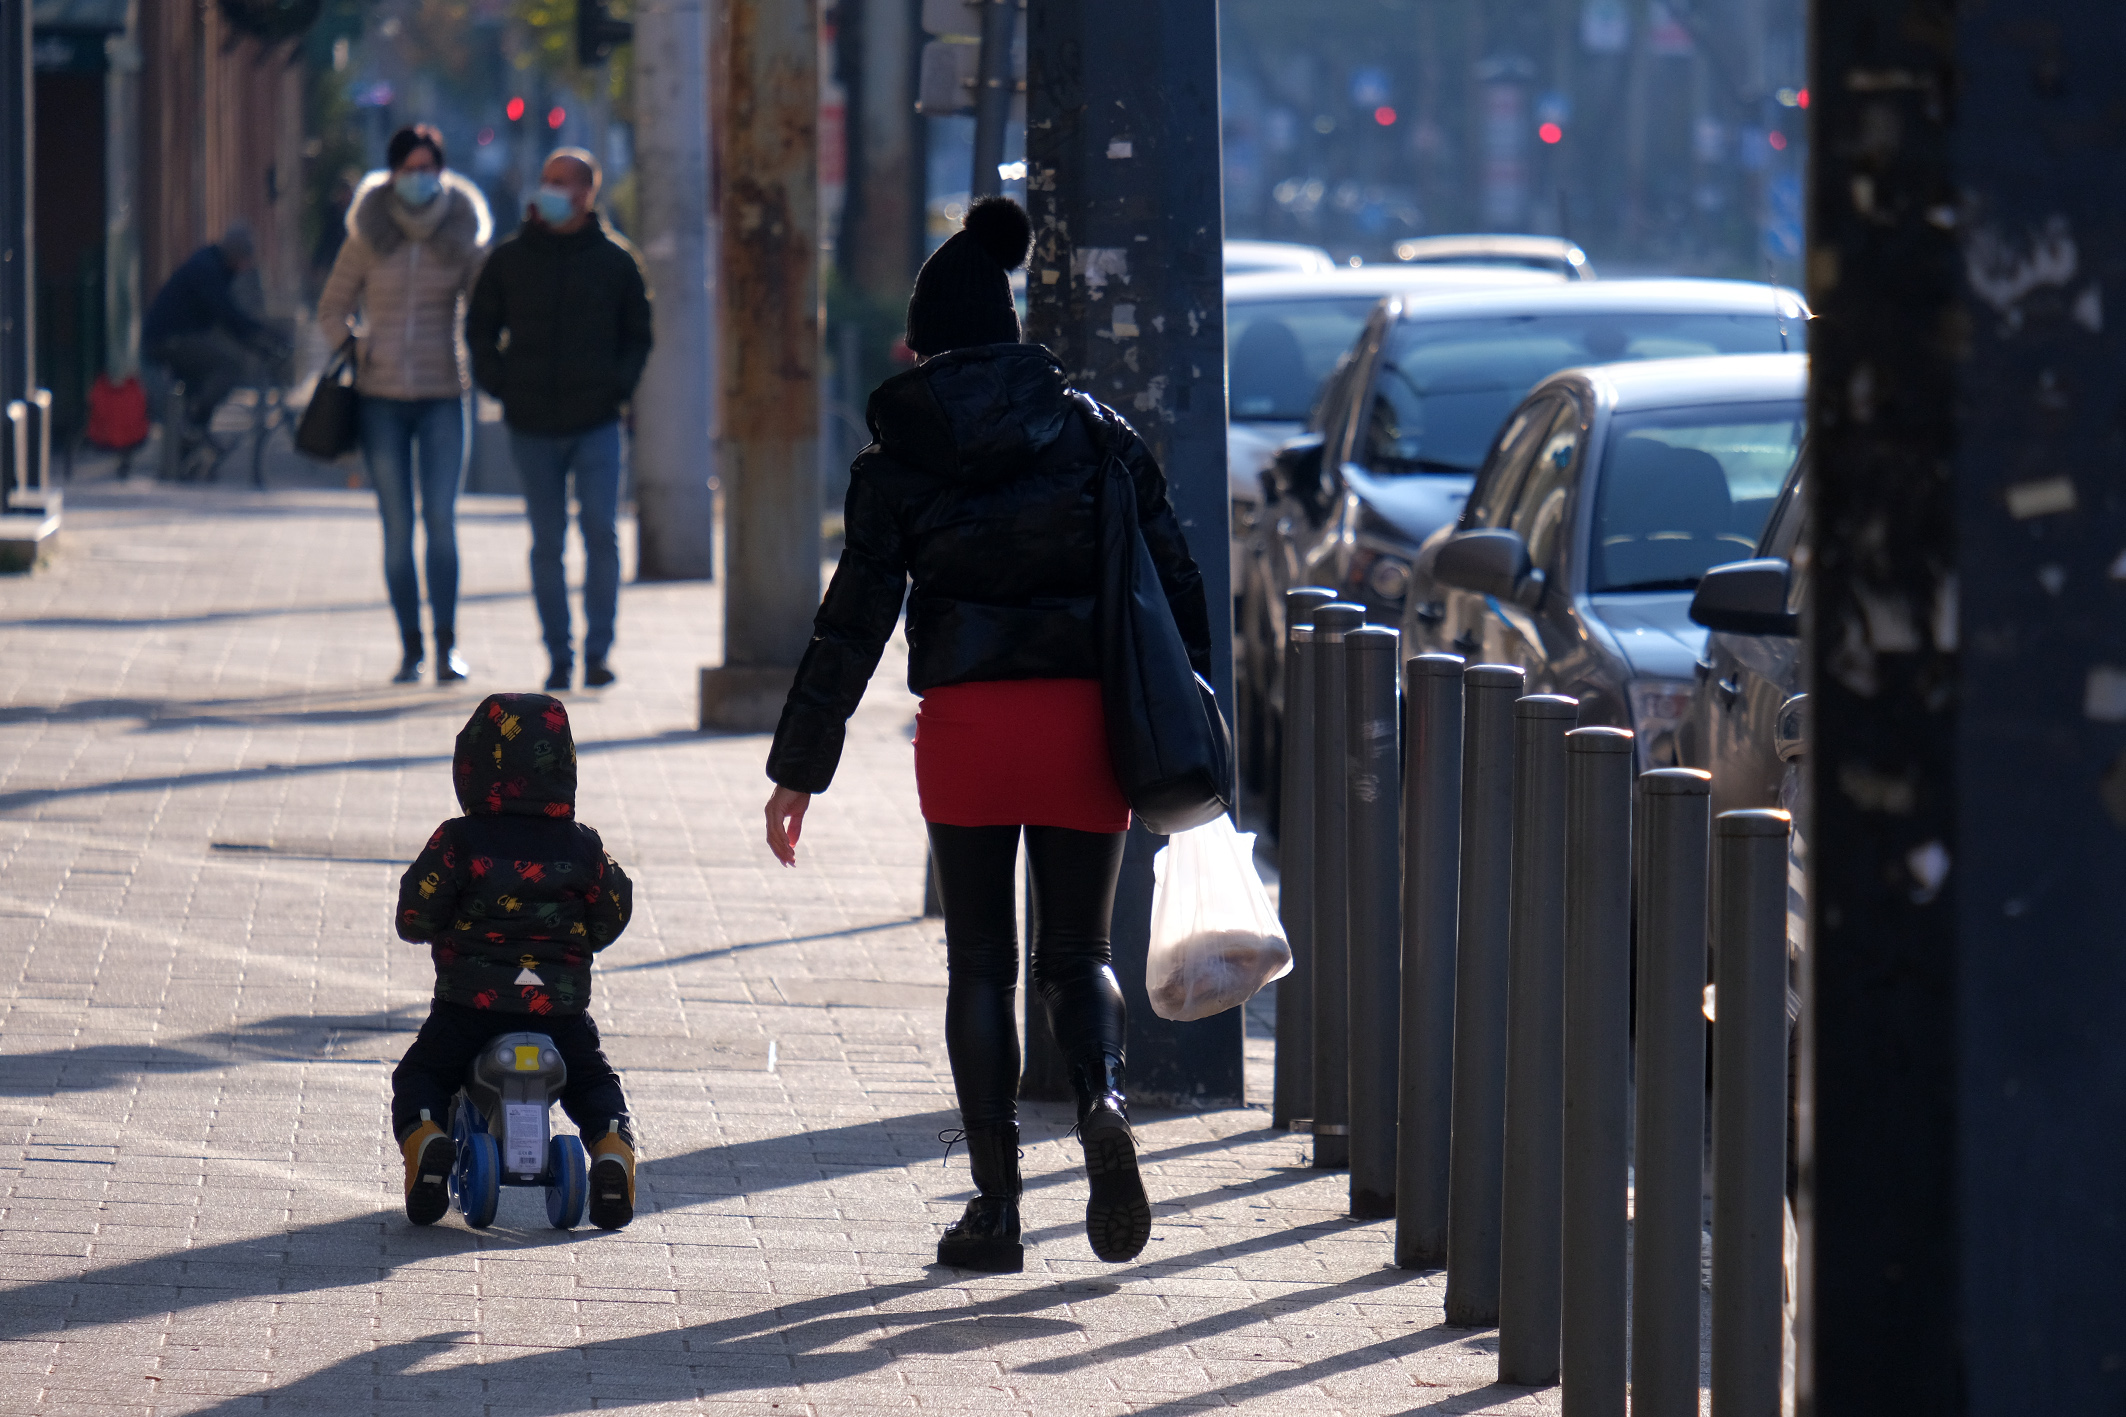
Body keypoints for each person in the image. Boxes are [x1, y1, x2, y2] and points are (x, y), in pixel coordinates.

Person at [760, 196, 1213, 1273]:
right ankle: (1102, 1101)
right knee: (1077, 953)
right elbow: (1174, 581)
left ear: (923, 343)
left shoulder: (898, 457)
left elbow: (851, 622)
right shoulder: (1095, 434)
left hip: (965, 728)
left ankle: (996, 1209)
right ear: (1009, 328)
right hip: (1082, 723)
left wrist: (798, 770)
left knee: (979, 962)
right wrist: (1189, 706)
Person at [391, 692, 639, 1230]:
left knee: (422, 1073)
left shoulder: (458, 841)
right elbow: (614, 910)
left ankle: (427, 1139)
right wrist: (584, 942)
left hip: (469, 1007)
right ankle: (612, 1149)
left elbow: (416, 909)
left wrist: (422, 928)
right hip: (558, 1010)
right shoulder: (583, 846)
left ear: (472, 768)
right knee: (592, 1080)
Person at [467, 149, 653, 692]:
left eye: (561, 182)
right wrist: (501, 384)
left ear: (586, 193)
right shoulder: (510, 259)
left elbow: (639, 335)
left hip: (596, 422)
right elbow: (480, 328)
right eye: (546, 179)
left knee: (601, 531)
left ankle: (598, 653)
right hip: (531, 423)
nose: (547, 190)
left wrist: (618, 389)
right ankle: (559, 654)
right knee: (546, 541)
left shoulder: (616, 261)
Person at [316, 126, 493, 685]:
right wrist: (360, 348)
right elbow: (332, 309)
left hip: (444, 394)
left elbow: (486, 309)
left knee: (441, 520)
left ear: (441, 171)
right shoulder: (367, 234)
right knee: (397, 528)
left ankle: (447, 647)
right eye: (409, 169)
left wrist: (485, 348)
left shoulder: (463, 233)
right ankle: (410, 648)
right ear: (392, 174)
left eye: (428, 168)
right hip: (380, 400)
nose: (419, 178)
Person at [143, 222, 286, 452]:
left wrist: (255, 337)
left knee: (206, 371)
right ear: (235, 254)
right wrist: (261, 334)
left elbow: (227, 316)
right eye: (244, 259)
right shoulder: (207, 269)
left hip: (176, 335)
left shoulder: (214, 265)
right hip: (168, 339)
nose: (245, 266)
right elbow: (225, 313)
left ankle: (189, 442)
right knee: (228, 365)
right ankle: (194, 423)